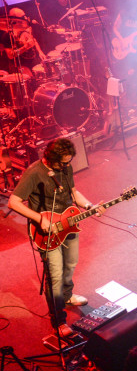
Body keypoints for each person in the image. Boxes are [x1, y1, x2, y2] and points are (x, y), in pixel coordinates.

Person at [8, 138, 103, 331]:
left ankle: (67, 296)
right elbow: (14, 202)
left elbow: (73, 192)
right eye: (63, 163)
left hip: (69, 223)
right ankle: (59, 320)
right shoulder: (34, 173)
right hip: (47, 232)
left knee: (70, 264)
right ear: (50, 158)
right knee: (56, 276)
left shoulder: (65, 167)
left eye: (68, 162)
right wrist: (39, 218)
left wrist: (89, 206)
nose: (67, 166)